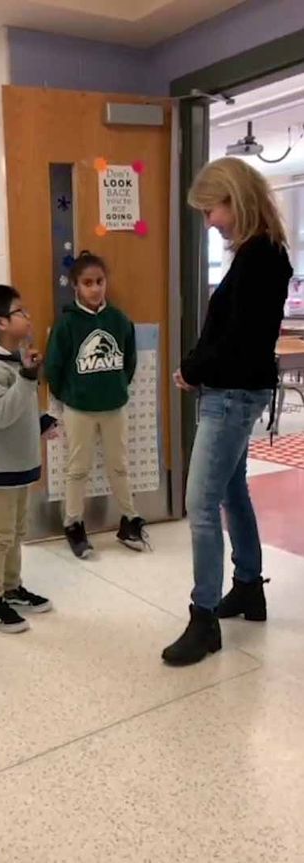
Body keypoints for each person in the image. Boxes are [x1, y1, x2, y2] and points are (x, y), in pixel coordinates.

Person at [162, 157, 293, 666]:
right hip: (233, 389)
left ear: (233, 199)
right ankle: (247, 587)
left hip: (233, 395)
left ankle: (204, 617)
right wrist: (197, 367)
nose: (209, 221)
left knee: (200, 504)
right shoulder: (258, 254)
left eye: (210, 210)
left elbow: (241, 339)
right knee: (233, 492)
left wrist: (193, 370)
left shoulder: (261, 257)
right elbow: (233, 333)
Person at [44, 251, 149, 559]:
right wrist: (72, 396)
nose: (95, 288)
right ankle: (74, 523)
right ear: (75, 286)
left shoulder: (118, 320)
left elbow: (129, 362)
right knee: (78, 469)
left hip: (114, 407)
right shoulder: (66, 324)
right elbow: (53, 368)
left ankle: (129, 520)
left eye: (99, 281)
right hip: (78, 410)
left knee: (120, 465)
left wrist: (114, 388)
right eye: (87, 283)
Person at [0, 285, 55, 633]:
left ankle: (11, 587)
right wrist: (28, 378)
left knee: (17, 532)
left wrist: (41, 421)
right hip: (1, 468)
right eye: (21, 312)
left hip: (20, 465)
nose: (28, 316)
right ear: (1, 322)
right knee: (2, 535)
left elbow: (19, 411)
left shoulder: (13, 360)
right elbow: (2, 415)